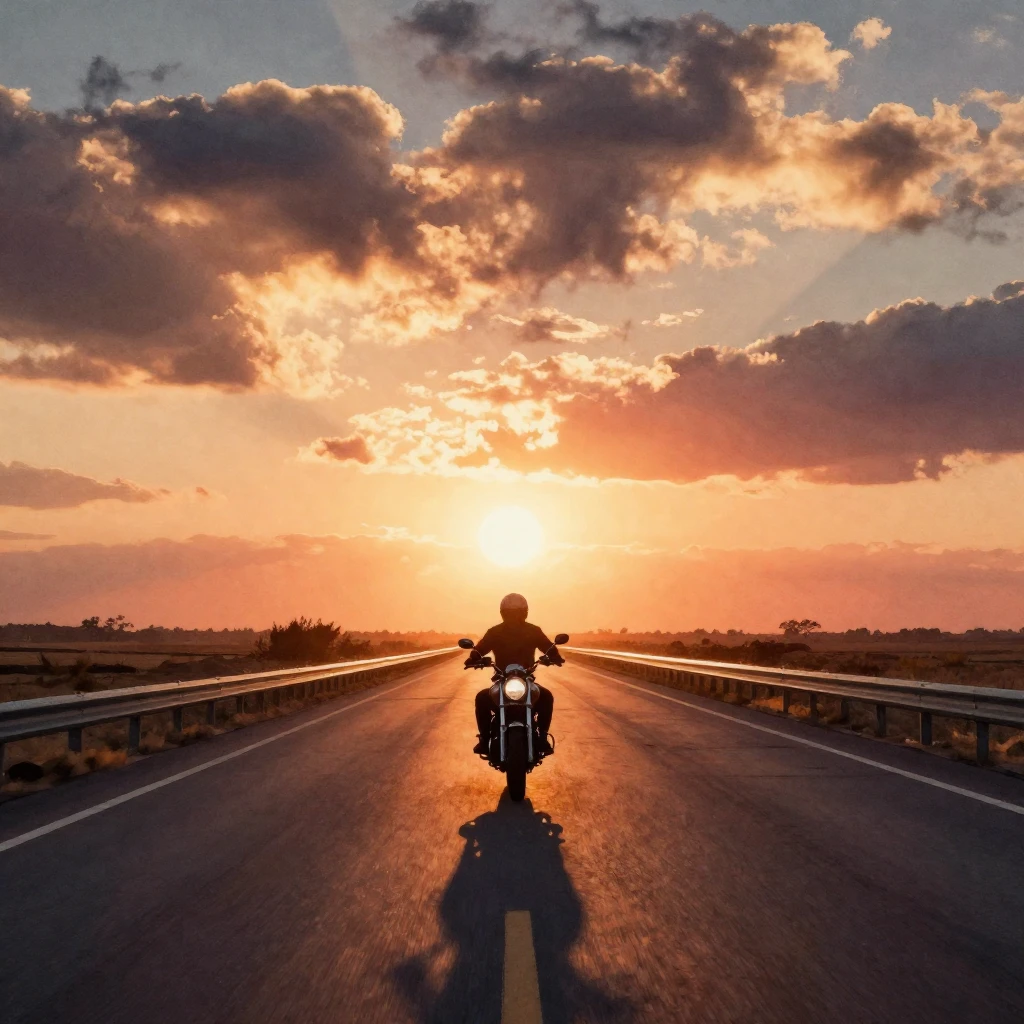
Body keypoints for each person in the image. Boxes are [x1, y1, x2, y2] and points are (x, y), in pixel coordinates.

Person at [466, 593, 563, 757]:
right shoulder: (494, 632)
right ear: (504, 614)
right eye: (511, 614)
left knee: (546, 696)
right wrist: (473, 658)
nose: (514, 617)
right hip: (502, 679)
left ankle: (542, 737)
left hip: (526, 679)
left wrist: (554, 657)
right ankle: (484, 739)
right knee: (482, 698)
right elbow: (480, 649)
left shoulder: (533, 631)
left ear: (524, 613)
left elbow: (548, 647)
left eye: (517, 613)